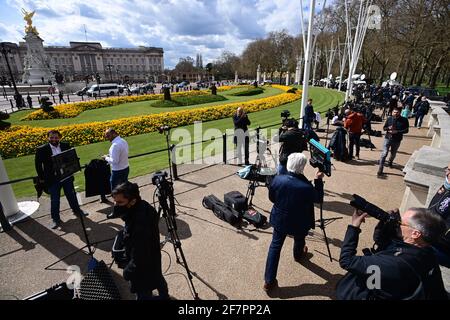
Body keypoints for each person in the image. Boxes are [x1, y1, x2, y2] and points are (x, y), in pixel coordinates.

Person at [336, 207, 448, 300]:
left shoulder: (393, 263)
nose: (397, 224)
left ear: (415, 234)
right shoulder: (427, 253)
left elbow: (347, 260)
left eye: (401, 222)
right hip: (384, 285)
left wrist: (354, 227)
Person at [263, 153, 324, 292]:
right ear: (302, 167)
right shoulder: (306, 187)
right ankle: (298, 255)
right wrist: (318, 180)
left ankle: (268, 281)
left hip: (280, 218)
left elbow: (272, 198)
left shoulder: (277, 179)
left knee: (275, 247)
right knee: (299, 238)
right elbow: (318, 198)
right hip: (299, 221)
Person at [111, 182, 169, 300]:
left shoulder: (139, 225)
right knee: (158, 278)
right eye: (115, 201)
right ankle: (164, 296)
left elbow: (139, 257)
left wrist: (127, 272)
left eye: (120, 202)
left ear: (132, 201)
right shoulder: (143, 206)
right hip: (153, 258)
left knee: (143, 294)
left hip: (142, 270)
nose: (116, 205)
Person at [35, 130, 87, 229]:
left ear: (59, 137)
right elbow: (38, 165)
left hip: (66, 176)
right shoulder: (41, 149)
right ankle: (55, 219)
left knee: (71, 195)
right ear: (48, 138)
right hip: (52, 179)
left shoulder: (65, 145)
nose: (54, 139)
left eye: (56, 137)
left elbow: (72, 158)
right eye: (51, 137)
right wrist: (42, 178)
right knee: (55, 200)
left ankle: (77, 211)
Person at [428, 163, 450, 268]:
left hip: (442, 248)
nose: (447, 173)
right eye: (448, 169)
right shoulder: (446, 186)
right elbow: (432, 209)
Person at [377, 107, 409, 177]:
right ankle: (380, 169)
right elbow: (384, 128)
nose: (395, 113)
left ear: (400, 113)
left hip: (397, 140)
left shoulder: (404, 120)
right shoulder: (389, 119)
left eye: (397, 112)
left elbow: (406, 130)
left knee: (393, 154)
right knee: (384, 154)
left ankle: (390, 161)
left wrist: (397, 131)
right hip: (388, 138)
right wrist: (388, 128)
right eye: (394, 112)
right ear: (392, 112)